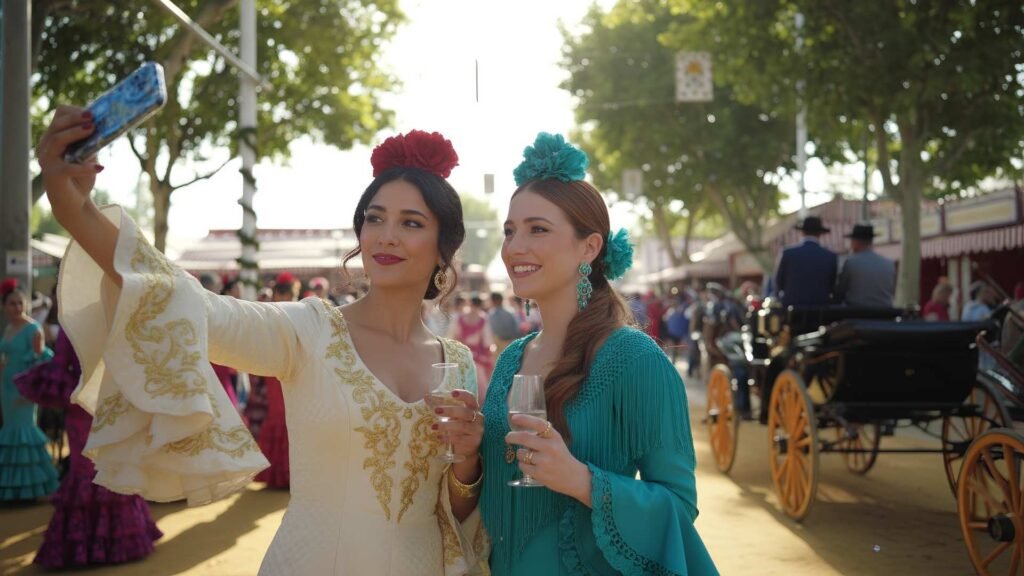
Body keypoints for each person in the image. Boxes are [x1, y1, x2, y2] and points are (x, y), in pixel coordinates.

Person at [37, 112, 488, 575]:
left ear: (443, 248)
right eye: (375, 218)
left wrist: (469, 460)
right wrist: (73, 206)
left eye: (411, 223)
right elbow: (186, 302)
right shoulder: (308, 331)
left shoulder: (456, 364)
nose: (387, 235)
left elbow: (455, 508)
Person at [479, 133, 717, 575]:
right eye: (509, 231)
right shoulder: (512, 359)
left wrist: (581, 482)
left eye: (538, 229)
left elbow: (678, 509)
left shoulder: (634, 359)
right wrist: (462, 459)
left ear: (589, 247)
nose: (514, 248)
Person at [15, 328, 163, 568]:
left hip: (105, 404)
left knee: (105, 466)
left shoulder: (109, 317)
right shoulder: (79, 322)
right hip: (92, 405)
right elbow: (61, 364)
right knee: (92, 470)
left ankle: (107, 544)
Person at [0, 280, 59, 502]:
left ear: (26, 304)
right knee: (10, 431)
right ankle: (13, 488)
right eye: (12, 304)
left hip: (24, 389)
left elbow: (40, 363)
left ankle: (33, 489)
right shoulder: (8, 327)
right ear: (4, 306)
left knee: (24, 433)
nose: (16, 307)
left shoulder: (33, 328)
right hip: (6, 386)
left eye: (20, 303)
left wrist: (30, 391)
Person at [774, 216, 838, 307]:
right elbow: (832, 285)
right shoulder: (830, 256)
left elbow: (778, 283)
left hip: (792, 309)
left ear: (802, 232)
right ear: (819, 233)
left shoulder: (788, 253)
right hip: (821, 310)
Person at [834, 223, 896, 308]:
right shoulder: (888, 264)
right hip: (884, 313)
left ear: (855, 242)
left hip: (857, 313)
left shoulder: (851, 263)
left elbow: (841, 291)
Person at [448, 294, 495, 399]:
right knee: (480, 386)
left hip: (460, 354)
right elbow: (487, 341)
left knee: (460, 382)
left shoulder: (459, 317)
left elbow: (452, 337)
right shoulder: (483, 318)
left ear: (470, 303)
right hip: (478, 357)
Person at [488, 291, 521, 357]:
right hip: (511, 343)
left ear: (493, 301)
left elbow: (493, 331)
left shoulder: (492, 314)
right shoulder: (510, 312)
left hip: (500, 345)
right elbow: (517, 329)